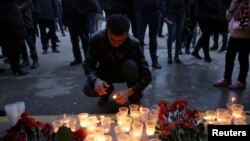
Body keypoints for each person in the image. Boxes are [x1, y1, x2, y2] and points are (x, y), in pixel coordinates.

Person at [83, 14, 152, 106]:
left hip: (126, 71)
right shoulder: (96, 39)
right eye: (112, 39)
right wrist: (96, 80)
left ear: (127, 34)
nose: (116, 44)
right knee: (88, 89)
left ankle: (134, 97)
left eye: (121, 40)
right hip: (105, 72)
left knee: (130, 66)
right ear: (106, 31)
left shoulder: (133, 44)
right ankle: (106, 92)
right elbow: (88, 64)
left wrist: (131, 91)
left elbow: (147, 75)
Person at [214, 0, 250, 90]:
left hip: (246, 35)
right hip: (234, 34)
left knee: (243, 58)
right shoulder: (235, 1)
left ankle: (241, 81)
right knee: (229, 57)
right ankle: (227, 79)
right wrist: (230, 10)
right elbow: (229, 17)